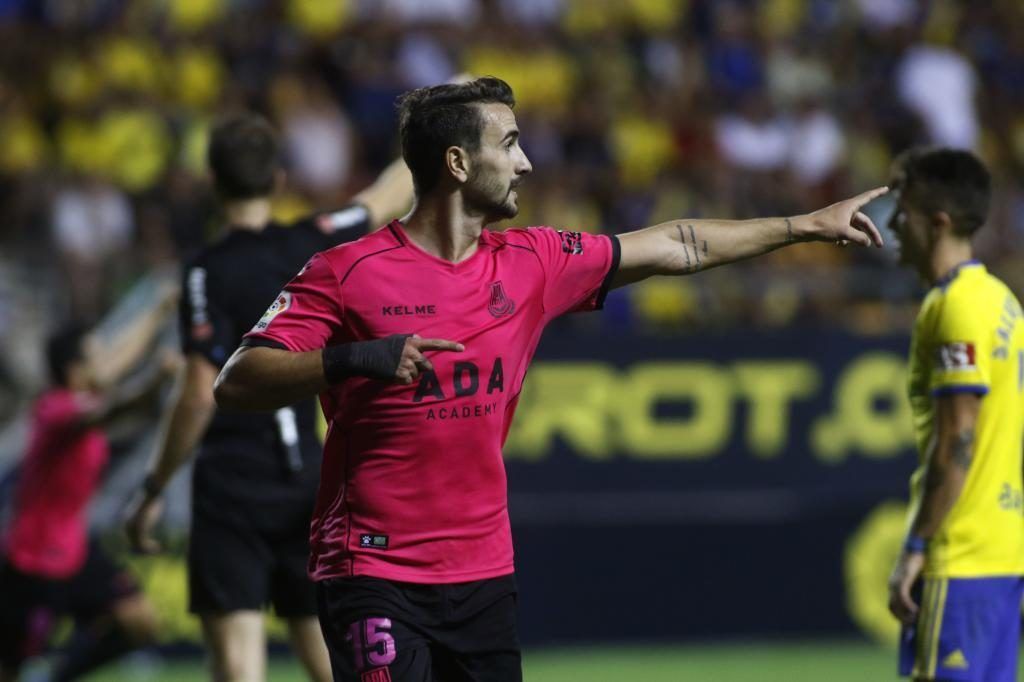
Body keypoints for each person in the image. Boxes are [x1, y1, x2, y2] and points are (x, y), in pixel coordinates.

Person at [212, 77, 886, 682]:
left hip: (483, 575)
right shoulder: (347, 271)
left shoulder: (534, 260)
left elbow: (679, 244)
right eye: (509, 144)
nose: (526, 163)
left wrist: (806, 225)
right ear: (457, 162)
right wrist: (356, 359)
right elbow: (239, 379)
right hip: (373, 571)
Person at [124, 112, 414, 682]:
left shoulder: (204, 272)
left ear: (213, 184)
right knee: (331, 663)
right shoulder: (315, 238)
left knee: (239, 668)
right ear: (278, 179)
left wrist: (154, 488)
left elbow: (199, 394)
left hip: (232, 488)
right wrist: (446, 104)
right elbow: (387, 193)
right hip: (307, 483)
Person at [884, 147, 1024, 682]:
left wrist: (917, 546)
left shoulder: (957, 308)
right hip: (1002, 551)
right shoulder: (1001, 300)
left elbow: (957, 440)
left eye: (905, 210)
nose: (895, 224)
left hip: (961, 554)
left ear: (938, 222)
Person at [0, 296, 176, 682]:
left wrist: (157, 312)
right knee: (11, 666)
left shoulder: (85, 398)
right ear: (75, 368)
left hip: (74, 550)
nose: (105, 360)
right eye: (96, 355)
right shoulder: (55, 409)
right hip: (33, 558)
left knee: (139, 621)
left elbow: (120, 372)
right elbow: (113, 408)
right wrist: (154, 381)